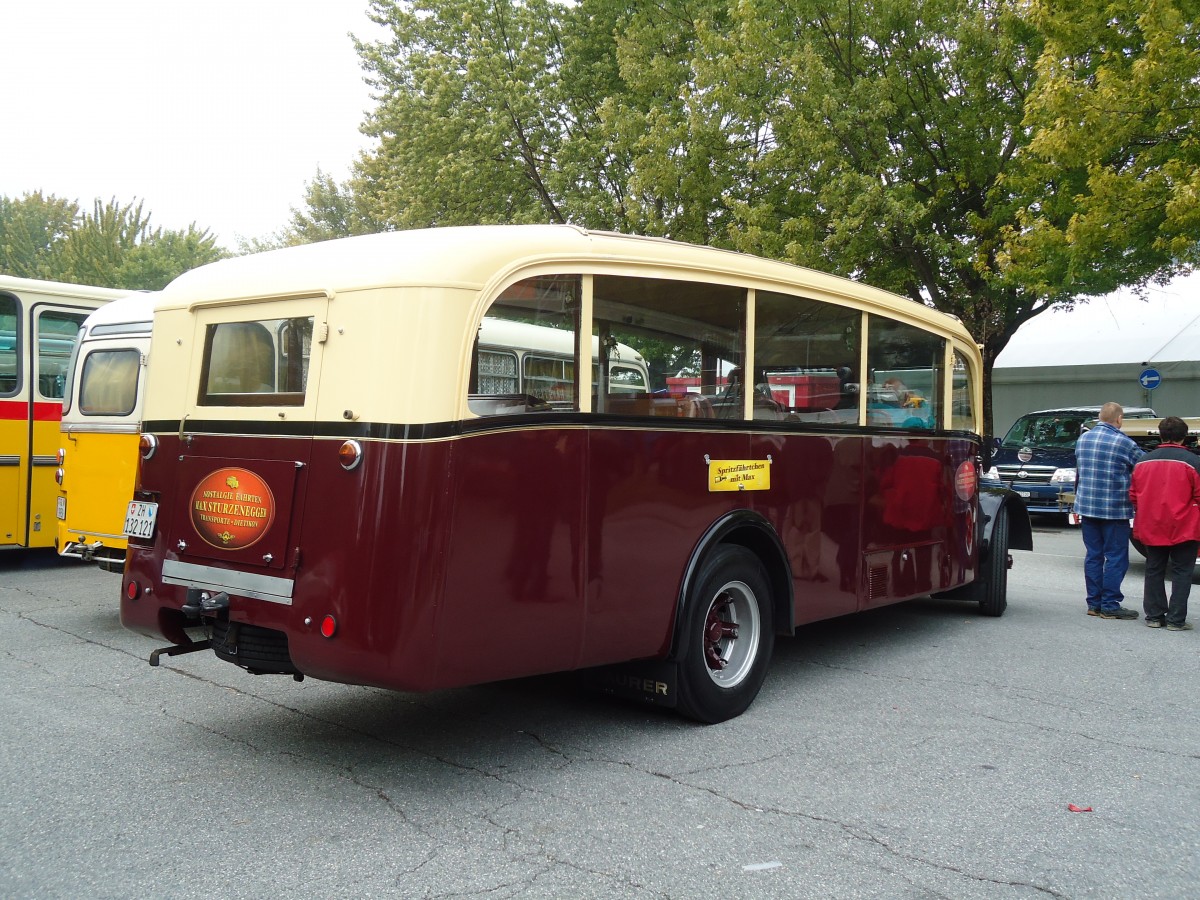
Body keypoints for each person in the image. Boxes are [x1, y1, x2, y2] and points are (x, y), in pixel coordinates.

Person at [1129, 416, 1200, 631]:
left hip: (1152, 523)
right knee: (1182, 571)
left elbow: (1133, 496)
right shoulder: (1193, 462)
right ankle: (1176, 620)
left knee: (1154, 569)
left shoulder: (1142, 462)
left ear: (1160, 435)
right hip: (1184, 525)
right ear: (1184, 437)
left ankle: (1154, 616)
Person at [1074, 401, 1144, 619]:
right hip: (1114, 509)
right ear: (1119, 419)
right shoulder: (1124, 443)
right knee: (1115, 557)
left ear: (1099, 417)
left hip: (1087, 506)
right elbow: (1143, 466)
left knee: (1094, 556)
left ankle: (1093, 604)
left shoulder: (1083, 439)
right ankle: (1110, 604)